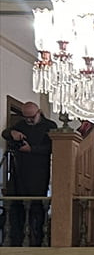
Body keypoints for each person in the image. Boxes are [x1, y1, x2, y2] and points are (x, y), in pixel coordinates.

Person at [2, 101, 55, 246]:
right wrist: (12, 133)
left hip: (39, 174)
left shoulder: (49, 126)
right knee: (16, 207)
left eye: (32, 117)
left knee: (36, 209)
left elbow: (52, 148)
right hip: (19, 173)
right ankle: (16, 242)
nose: (29, 120)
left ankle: (37, 242)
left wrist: (32, 149)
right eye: (26, 117)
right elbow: (5, 133)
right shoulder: (20, 124)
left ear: (39, 113)